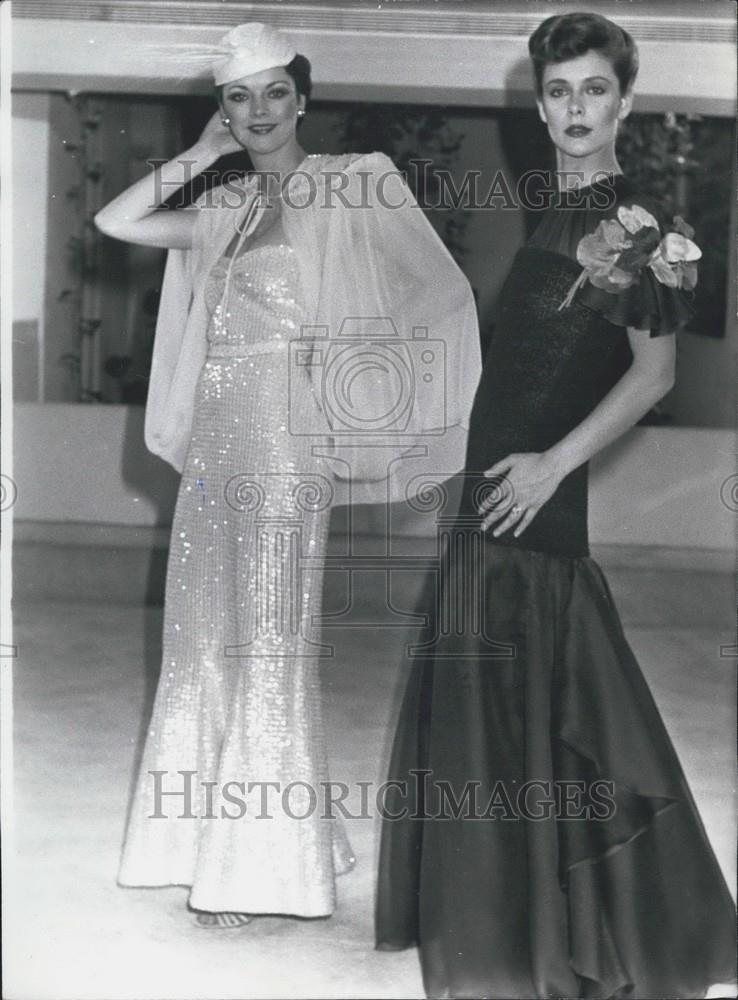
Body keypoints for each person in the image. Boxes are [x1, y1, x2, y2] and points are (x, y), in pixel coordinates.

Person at [375, 11, 736, 997]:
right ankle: (527, 923)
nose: (576, 108)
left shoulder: (641, 225)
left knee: (560, 704)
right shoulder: (554, 212)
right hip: (495, 497)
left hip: (538, 500)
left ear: (625, 100)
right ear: (540, 106)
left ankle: (600, 932)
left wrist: (549, 465)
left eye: (595, 90)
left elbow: (653, 375)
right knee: (510, 708)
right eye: (560, 92)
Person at [95, 22, 481, 928]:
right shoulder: (224, 204)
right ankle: (198, 842)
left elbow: (443, 290)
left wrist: (354, 379)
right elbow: (116, 221)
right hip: (217, 442)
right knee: (200, 633)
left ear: (303, 99)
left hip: (287, 440)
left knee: (266, 639)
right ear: (223, 110)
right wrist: (198, 153)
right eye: (239, 97)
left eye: (275, 93)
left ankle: (260, 870)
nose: (259, 111)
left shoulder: (355, 183)